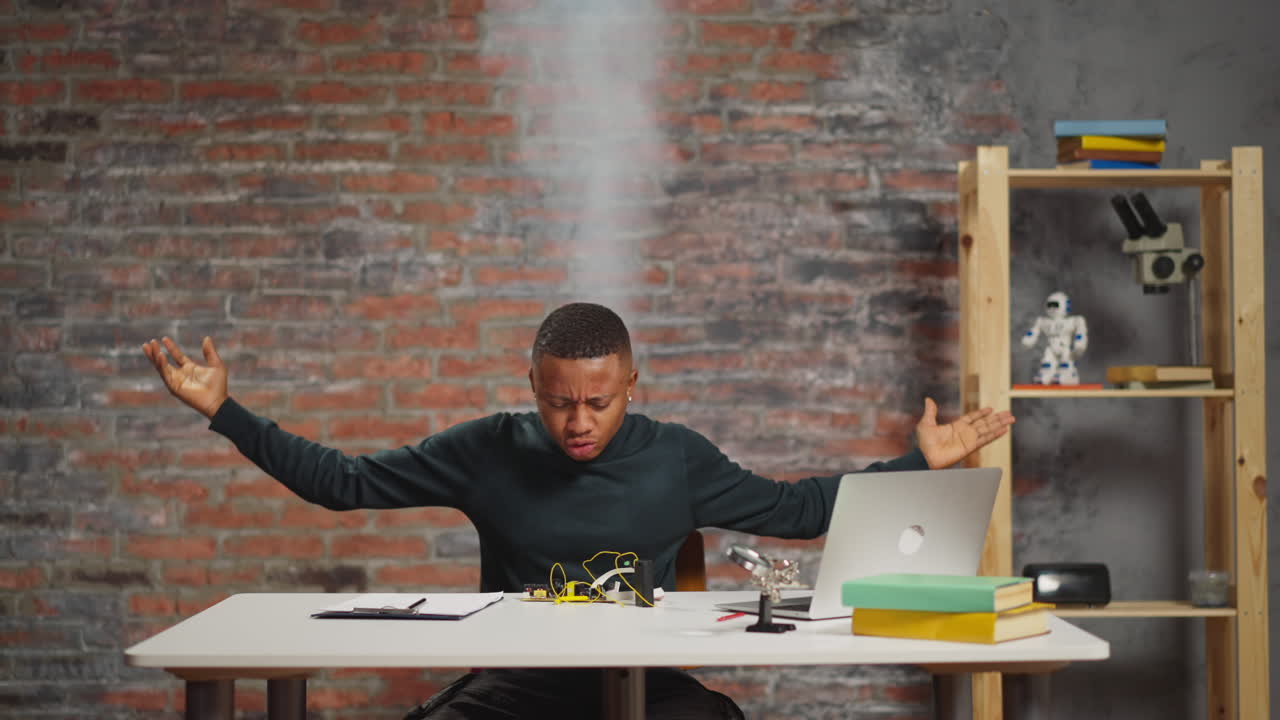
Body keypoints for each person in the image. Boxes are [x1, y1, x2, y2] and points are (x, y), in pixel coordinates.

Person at [141, 301, 1014, 719]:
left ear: (633, 383)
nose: (579, 422)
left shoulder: (677, 457)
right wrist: (226, 412)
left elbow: (799, 509)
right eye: (560, 402)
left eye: (599, 401)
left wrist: (918, 462)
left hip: (641, 685)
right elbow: (345, 483)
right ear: (533, 385)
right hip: (515, 686)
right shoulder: (490, 448)